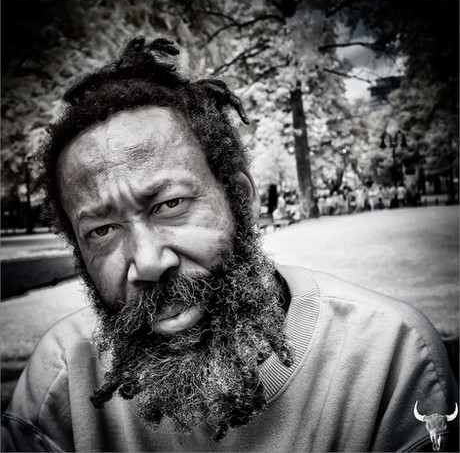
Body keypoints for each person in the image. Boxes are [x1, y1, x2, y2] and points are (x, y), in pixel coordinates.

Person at [1, 37, 457, 452]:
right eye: (101, 231)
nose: (148, 262)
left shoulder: (389, 357)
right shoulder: (61, 383)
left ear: (240, 197)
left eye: (170, 204)